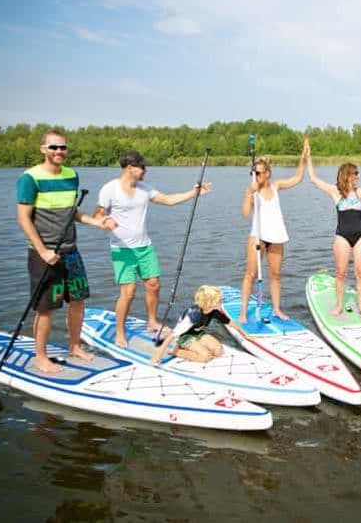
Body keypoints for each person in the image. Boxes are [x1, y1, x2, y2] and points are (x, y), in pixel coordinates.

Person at [16, 129, 115, 373]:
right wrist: (42, 250)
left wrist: (96, 222)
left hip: (71, 251)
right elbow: (23, 218)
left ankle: (74, 346)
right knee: (46, 308)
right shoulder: (30, 178)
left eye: (63, 147)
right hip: (45, 255)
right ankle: (41, 357)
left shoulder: (71, 175)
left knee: (78, 301)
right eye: (53, 147)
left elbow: (73, 212)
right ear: (43, 149)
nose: (59, 151)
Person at [94, 150, 212, 346]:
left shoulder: (144, 189)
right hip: (122, 249)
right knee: (128, 292)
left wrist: (194, 192)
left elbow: (168, 200)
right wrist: (104, 221)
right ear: (129, 168)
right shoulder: (110, 189)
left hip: (144, 247)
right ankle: (120, 332)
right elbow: (97, 214)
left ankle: (152, 320)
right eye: (142, 167)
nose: (145, 170)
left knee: (154, 284)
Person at [307, 140, 361, 316]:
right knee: (341, 273)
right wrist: (309, 156)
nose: (358, 175)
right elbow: (314, 179)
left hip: (360, 236)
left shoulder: (360, 192)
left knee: (360, 272)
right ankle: (339, 306)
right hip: (342, 236)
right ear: (347, 175)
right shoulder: (334, 191)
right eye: (356, 173)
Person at [239, 140, 306, 323]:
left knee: (276, 275)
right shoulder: (252, 190)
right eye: (253, 173)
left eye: (258, 173)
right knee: (250, 274)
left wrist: (303, 156)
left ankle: (276, 309)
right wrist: (248, 193)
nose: (255, 176)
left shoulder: (276, 186)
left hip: (276, 237)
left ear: (267, 173)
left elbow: (298, 178)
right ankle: (243, 312)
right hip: (258, 237)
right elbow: (245, 213)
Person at [150, 285, 250, 365]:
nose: (222, 301)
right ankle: (177, 351)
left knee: (218, 351)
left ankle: (197, 347)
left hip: (198, 334)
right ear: (209, 302)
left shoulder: (214, 311)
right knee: (205, 357)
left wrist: (246, 335)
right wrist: (158, 355)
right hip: (185, 337)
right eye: (219, 300)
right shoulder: (193, 315)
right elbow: (172, 335)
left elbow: (230, 323)